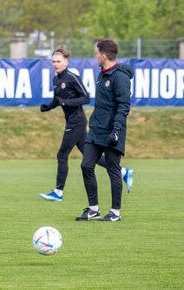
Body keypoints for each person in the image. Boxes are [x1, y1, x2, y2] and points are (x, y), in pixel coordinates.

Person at [39, 45, 133, 202]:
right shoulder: (56, 79)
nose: (56, 64)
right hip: (71, 121)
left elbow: (85, 98)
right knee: (90, 157)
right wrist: (48, 107)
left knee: (62, 155)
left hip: (77, 121)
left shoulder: (72, 78)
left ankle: (58, 192)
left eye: (59, 61)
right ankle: (124, 172)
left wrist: (66, 102)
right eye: (54, 61)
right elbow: (58, 100)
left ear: (66, 62)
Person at [76, 39, 134, 222]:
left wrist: (116, 129)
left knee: (113, 170)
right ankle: (93, 209)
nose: (95, 57)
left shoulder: (120, 77)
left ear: (103, 55)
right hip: (96, 129)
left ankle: (115, 212)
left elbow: (123, 106)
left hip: (112, 131)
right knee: (86, 165)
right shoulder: (102, 74)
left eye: (96, 53)